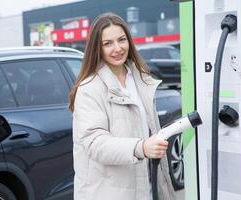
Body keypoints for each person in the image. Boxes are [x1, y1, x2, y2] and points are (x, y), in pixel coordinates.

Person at [69, 12, 177, 200]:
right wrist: (141, 147)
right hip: (108, 192)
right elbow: (95, 143)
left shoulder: (140, 78)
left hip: (146, 187)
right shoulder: (89, 88)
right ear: (97, 48)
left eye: (121, 40)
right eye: (107, 43)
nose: (117, 48)